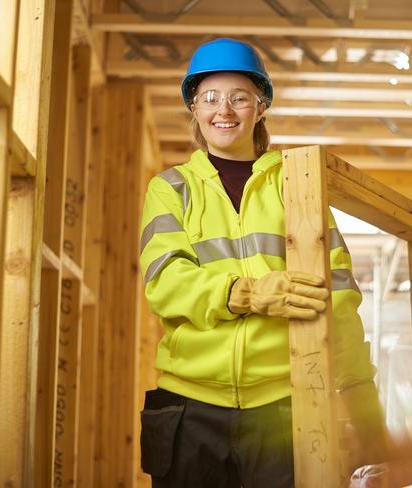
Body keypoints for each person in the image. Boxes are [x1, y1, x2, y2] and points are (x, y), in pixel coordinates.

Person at [138, 37, 386, 488]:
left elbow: (341, 300)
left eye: (239, 97)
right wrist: (245, 293)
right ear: (194, 108)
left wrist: (363, 406)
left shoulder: (300, 187)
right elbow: (165, 282)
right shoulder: (171, 189)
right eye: (209, 98)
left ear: (261, 105)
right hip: (189, 408)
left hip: (284, 408)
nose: (223, 110)